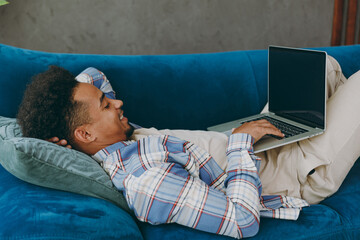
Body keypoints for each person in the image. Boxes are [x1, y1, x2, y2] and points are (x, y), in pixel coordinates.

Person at [16, 55, 360, 238]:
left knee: (320, 65)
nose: (118, 104)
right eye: (106, 105)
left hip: (266, 146)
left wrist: (61, 138)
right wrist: (242, 141)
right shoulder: (145, 181)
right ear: (86, 134)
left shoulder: (115, 137)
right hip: (293, 173)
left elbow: (92, 76)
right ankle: (332, 148)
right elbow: (242, 221)